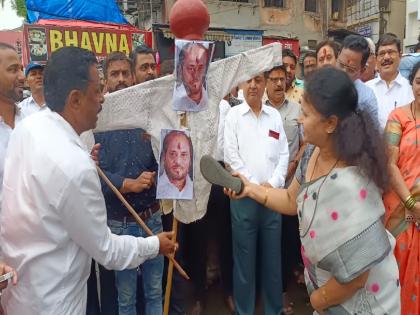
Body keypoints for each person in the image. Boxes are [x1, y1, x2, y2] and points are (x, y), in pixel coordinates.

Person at [0, 46, 177, 315]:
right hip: (56, 302)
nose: (103, 99)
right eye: (97, 91)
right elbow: (106, 250)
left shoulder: (29, 128)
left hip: (21, 293)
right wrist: (155, 244)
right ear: (75, 99)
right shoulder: (74, 167)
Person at [225, 67, 401, 314]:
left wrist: (318, 301)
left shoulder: (354, 186)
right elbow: (289, 198)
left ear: (330, 124)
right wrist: (248, 188)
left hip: (360, 303)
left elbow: (356, 278)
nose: (299, 119)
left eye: (306, 114)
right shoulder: (312, 152)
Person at [93, 52, 165, 315]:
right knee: (126, 299)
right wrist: (127, 184)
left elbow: (166, 159)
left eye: (125, 73)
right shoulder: (96, 119)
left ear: (132, 76)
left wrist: (159, 169)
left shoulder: (148, 115)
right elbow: (92, 172)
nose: (121, 79)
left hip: (152, 219)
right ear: (106, 79)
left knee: (155, 292)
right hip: (119, 225)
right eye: (115, 74)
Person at [224, 73, 289, 315]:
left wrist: (273, 183)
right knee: (244, 263)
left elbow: (284, 153)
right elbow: (231, 157)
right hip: (244, 199)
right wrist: (252, 187)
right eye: (248, 80)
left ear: (265, 84)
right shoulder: (233, 116)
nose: (253, 85)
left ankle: (274, 310)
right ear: (241, 84)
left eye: (259, 80)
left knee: (273, 262)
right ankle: (245, 311)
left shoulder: (274, 116)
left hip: (273, 199)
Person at [265, 65, 305, 315]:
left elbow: (306, 141)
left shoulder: (296, 109)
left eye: (282, 79)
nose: (279, 84)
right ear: (266, 82)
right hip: (267, 188)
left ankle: (286, 288)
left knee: (290, 240)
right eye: (274, 79)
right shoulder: (261, 110)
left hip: (292, 187)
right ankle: (276, 292)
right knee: (271, 243)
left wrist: (294, 162)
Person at [384, 61, 420, 315]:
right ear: (412, 84)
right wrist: (411, 203)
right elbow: (390, 163)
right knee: (397, 273)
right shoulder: (398, 118)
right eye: (419, 82)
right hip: (400, 208)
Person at [366, 34, 414, 128]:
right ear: (376, 59)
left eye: (391, 52)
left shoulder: (411, 89)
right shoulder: (366, 89)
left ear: (400, 56)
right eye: (382, 53)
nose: (386, 57)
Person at [336, 34, 379, 121]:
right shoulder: (321, 85)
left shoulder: (366, 99)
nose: (343, 73)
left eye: (351, 70)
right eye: (341, 65)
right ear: (338, 56)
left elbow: (371, 132)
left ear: (362, 71)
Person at [157, 130, 194, 200]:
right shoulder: (157, 187)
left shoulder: (196, 189)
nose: (178, 161)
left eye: (183, 155)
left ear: (190, 159)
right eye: (172, 154)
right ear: (164, 157)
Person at [173, 42, 209, 111]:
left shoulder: (213, 98)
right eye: (191, 68)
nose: (195, 75)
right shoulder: (172, 100)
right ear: (180, 69)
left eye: (200, 68)